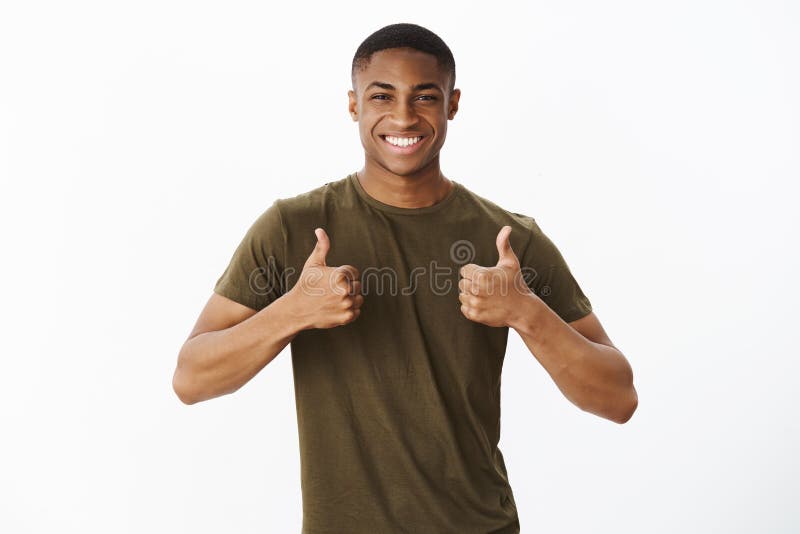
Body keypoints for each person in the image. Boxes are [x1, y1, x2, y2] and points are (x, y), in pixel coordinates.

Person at [172, 22, 637, 534]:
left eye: (424, 97)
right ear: (353, 105)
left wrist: (527, 312)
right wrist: (292, 312)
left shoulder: (508, 240)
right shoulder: (293, 228)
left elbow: (618, 398)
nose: (402, 116)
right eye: (381, 96)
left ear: (452, 104)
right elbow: (191, 379)